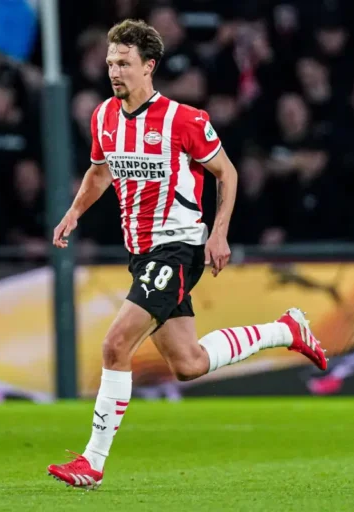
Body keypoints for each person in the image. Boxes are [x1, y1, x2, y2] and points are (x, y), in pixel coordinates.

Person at [46, 19, 328, 490]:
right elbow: (100, 173)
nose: (114, 71)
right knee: (189, 363)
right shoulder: (103, 118)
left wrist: (218, 234)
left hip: (178, 248)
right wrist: (73, 213)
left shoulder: (184, 120)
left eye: (124, 63)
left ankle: (92, 462)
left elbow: (228, 173)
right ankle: (287, 329)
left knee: (116, 346)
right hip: (142, 255)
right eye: (111, 63)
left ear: (149, 66)